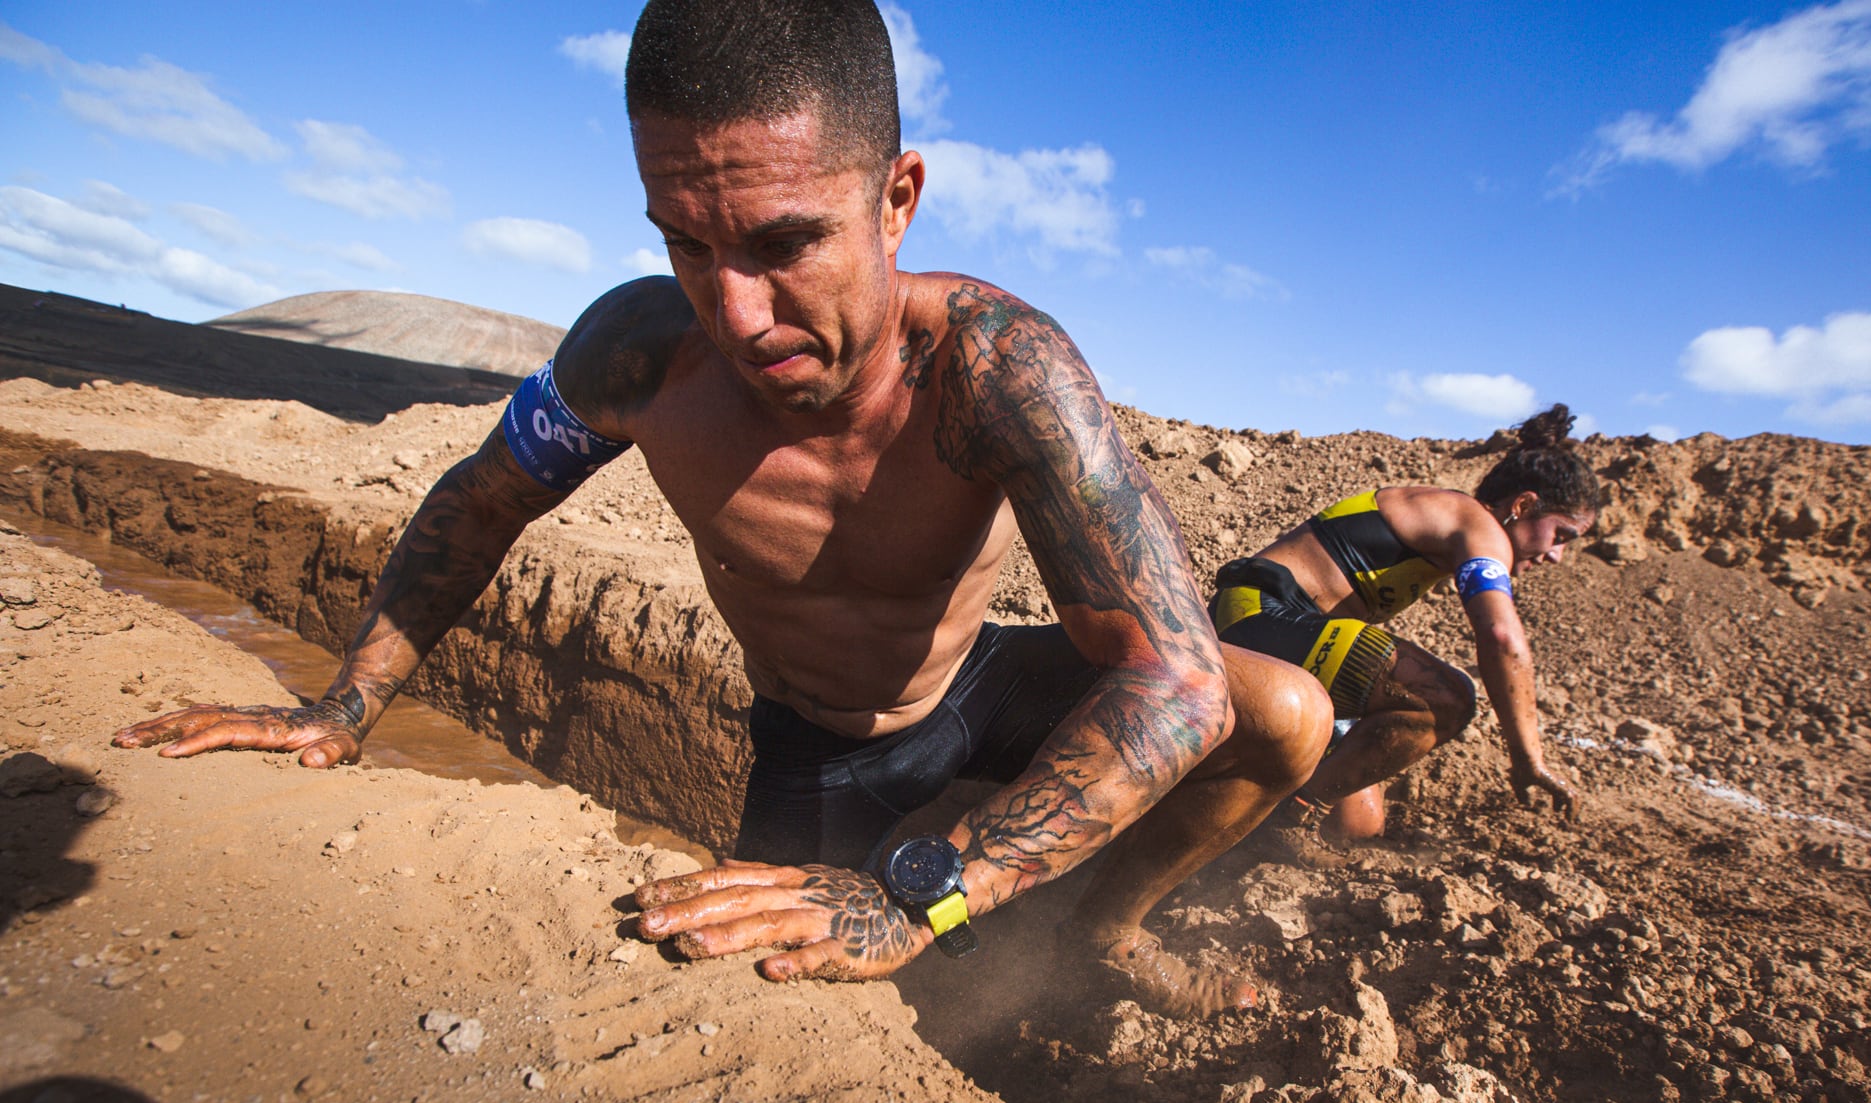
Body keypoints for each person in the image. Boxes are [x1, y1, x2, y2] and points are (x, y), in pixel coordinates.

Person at [113, 0, 1332, 1019]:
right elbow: (479, 502)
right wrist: (345, 704)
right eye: (687, 244)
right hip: (817, 748)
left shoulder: (995, 371)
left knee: (1284, 709)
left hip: (974, 683)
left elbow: (1174, 680)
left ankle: (1104, 931)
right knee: (782, 1001)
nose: (736, 311)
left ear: (896, 200)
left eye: (783, 241)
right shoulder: (639, 356)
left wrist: (929, 885)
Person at [1213, 406, 1602, 866]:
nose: (1557, 555)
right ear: (1523, 505)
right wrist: (1527, 760)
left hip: (1281, 631)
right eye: (1562, 534)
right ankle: (1283, 819)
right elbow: (1501, 637)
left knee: (1357, 824)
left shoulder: (1447, 520)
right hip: (1257, 617)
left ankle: (1239, 809)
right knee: (1443, 697)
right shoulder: (1478, 523)